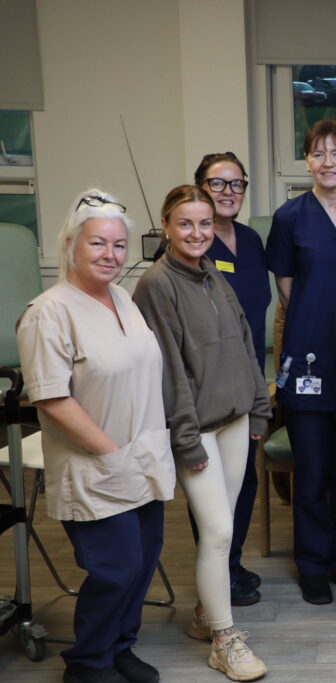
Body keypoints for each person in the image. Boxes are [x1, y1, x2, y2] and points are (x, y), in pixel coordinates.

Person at [16, 190, 175, 683]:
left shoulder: (122, 298)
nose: (110, 254)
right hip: (96, 465)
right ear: (70, 244)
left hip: (143, 457)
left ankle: (120, 646)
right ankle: (88, 664)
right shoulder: (49, 312)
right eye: (97, 244)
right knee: (115, 570)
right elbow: (51, 398)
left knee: (143, 563)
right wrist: (110, 453)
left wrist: (141, 449)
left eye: (119, 245)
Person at [134, 185, 270, 681]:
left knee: (225, 526)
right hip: (197, 429)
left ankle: (202, 615)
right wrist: (187, 440)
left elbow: (244, 343)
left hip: (235, 418)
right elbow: (168, 373)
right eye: (186, 223)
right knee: (216, 531)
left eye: (205, 223)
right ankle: (224, 640)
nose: (197, 233)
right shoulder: (155, 285)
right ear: (166, 226)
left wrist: (258, 410)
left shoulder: (213, 272)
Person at [265, 119, 336, 605]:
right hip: (309, 357)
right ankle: (312, 564)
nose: (327, 162)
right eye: (317, 153)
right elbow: (288, 289)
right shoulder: (290, 217)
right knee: (310, 472)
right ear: (306, 161)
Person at [193, 152, 270, 607]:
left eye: (236, 184)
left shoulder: (251, 240)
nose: (227, 192)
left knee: (244, 482)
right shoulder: (192, 244)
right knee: (210, 483)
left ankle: (232, 563)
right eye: (217, 183)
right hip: (207, 388)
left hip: (250, 379)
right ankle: (214, 572)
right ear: (200, 186)